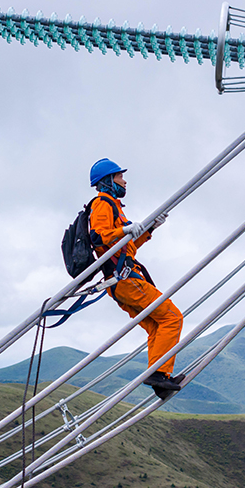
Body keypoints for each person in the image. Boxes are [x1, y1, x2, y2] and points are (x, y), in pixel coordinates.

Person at [87, 158, 183, 397]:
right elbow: (98, 237)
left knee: (155, 325)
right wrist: (124, 230)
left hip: (121, 282)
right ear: (108, 181)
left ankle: (160, 379)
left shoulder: (114, 206)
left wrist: (149, 229)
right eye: (119, 177)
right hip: (126, 280)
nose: (124, 180)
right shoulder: (102, 204)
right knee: (172, 317)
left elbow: (125, 248)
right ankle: (159, 374)